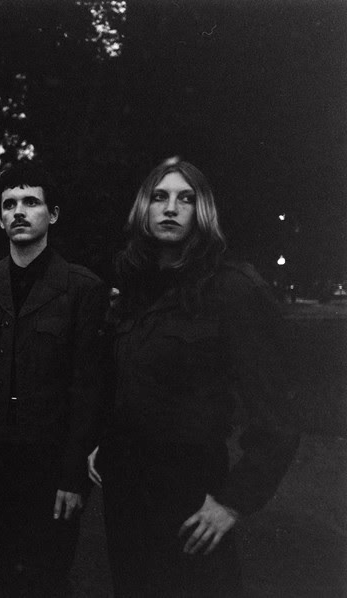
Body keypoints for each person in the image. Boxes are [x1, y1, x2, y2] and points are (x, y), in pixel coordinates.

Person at [87, 158, 300, 596]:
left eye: (185, 199)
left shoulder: (232, 289)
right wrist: (103, 439)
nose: (171, 208)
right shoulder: (134, 290)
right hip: (125, 493)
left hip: (189, 494)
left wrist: (233, 503)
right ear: (143, 209)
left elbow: (278, 417)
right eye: (160, 197)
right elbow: (127, 379)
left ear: (202, 212)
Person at [0, 163, 108, 597]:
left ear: (52, 214)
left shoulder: (82, 288)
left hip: (49, 470)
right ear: (0, 218)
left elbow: (89, 388)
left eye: (31, 202)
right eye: (9, 204)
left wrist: (73, 476)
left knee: (46, 581)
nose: (19, 211)